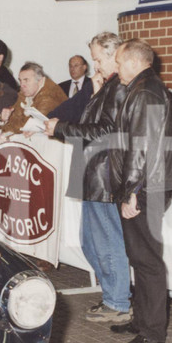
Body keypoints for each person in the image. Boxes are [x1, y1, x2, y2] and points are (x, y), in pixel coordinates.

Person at [45, 31, 134, 324]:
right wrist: (93, 95)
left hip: (104, 172)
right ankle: (115, 293)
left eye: (97, 59)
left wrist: (61, 129)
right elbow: (89, 121)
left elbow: (103, 131)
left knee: (107, 239)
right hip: (91, 169)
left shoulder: (120, 88)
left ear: (113, 56)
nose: (95, 66)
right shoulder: (105, 87)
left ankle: (118, 300)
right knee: (90, 241)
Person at [111, 39, 172, 343]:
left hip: (146, 187)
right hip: (148, 185)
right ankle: (142, 320)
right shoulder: (146, 89)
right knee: (139, 255)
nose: (116, 68)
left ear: (136, 62)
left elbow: (142, 146)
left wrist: (132, 192)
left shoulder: (145, 93)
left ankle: (153, 331)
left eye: (119, 62)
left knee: (147, 259)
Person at [0, 62, 67, 135]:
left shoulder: (49, 96)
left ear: (40, 81)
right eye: (20, 80)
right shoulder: (25, 92)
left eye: (26, 80)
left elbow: (25, 126)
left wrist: (7, 123)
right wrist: (3, 119)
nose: (22, 85)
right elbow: (14, 118)